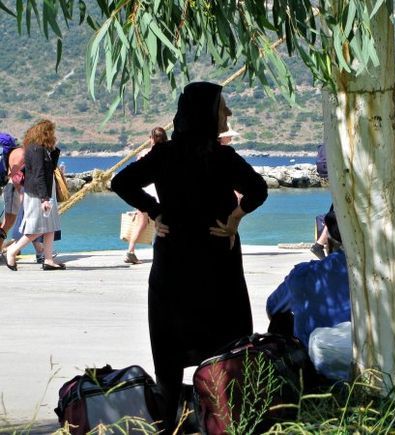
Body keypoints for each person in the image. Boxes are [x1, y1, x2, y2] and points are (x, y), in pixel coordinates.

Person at [111, 81, 268, 432]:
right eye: (222, 107)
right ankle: (227, 423)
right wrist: (234, 218)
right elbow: (258, 190)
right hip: (217, 268)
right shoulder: (221, 157)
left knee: (169, 362)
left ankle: (169, 425)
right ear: (206, 114)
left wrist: (155, 210)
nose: (227, 113)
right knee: (227, 357)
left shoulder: (165, 154)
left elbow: (121, 182)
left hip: (174, 268)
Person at [266, 208, 350, 347]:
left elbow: (273, 307)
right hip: (373, 359)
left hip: (312, 360)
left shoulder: (304, 274)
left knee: (279, 319)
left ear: (328, 241)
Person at [5, 119, 65, 271]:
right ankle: (12, 251)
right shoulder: (36, 150)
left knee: (50, 227)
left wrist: (54, 150)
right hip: (39, 193)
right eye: (51, 132)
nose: (54, 135)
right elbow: (38, 175)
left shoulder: (38, 148)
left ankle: (49, 259)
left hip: (43, 191)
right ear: (45, 133)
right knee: (37, 228)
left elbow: (50, 169)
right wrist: (44, 198)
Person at [124, 126, 168, 264]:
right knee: (154, 221)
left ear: (151, 138)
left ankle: (131, 250)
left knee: (142, 222)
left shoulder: (144, 153)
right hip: (157, 192)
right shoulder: (165, 154)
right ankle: (132, 251)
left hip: (143, 192)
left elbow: (136, 174)